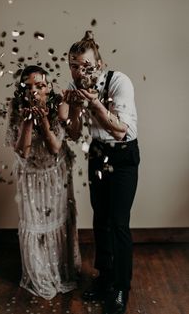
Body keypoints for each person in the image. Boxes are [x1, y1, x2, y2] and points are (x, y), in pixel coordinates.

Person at [63, 31, 140, 314]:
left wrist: (94, 103)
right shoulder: (74, 85)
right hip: (97, 155)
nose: (79, 71)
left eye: (85, 65)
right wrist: (73, 105)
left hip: (123, 156)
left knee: (118, 222)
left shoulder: (119, 82)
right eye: (73, 65)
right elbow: (72, 133)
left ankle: (121, 287)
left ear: (99, 63)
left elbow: (121, 131)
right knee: (100, 220)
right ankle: (105, 277)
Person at [5, 65, 81, 300]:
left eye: (39, 86)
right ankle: (38, 272)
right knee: (33, 222)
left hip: (54, 172)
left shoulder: (58, 105)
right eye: (28, 87)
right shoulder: (16, 108)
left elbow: (56, 147)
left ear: (48, 87)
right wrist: (28, 121)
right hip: (30, 174)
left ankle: (60, 270)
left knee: (58, 220)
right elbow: (23, 152)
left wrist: (44, 123)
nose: (34, 91)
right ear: (22, 91)